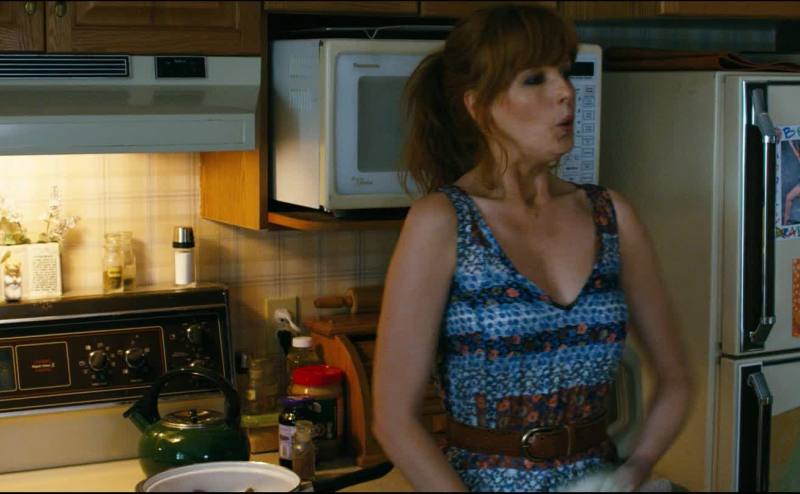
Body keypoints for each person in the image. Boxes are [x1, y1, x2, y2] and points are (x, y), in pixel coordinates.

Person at [371, 4, 692, 492]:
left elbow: (676, 380)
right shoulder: (443, 222)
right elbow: (394, 420)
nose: (565, 92)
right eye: (534, 79)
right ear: (478, 106)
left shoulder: (612, 215)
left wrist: (634, 470)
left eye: (564, 72)